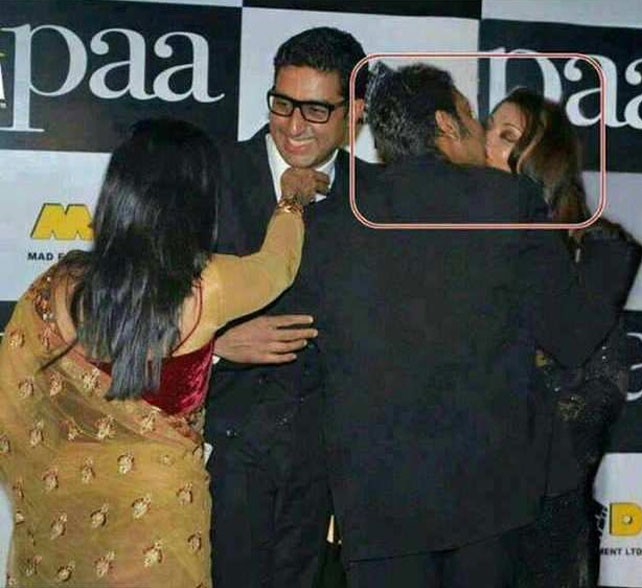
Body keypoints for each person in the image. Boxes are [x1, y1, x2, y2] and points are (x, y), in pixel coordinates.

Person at [308, 63, 632, 588]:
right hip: (486, 500)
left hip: (376, 506)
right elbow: (571, 337)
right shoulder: (507, 200)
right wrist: (609, 257)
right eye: (472, 116)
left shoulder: (327, 221)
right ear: (446, 123)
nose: (480, 131)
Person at [0, 118, 313, 587]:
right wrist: (292, 201)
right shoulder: (208, 285)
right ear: (196, 200)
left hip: (68, 514)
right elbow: (276, 266)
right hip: (158, 521)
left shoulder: (58, 284)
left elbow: (15, 403)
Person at [204, 27, 372, 588]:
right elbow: (144, 312)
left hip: (329, 463)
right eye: (282, 103)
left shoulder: (378, 197)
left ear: (355, 113)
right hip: (223, 452)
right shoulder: (209, 174)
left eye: (316, 110)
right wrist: (215, 344)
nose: (294, 125)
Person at [486, 88, 642, 588]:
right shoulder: (468, 246)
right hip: (476, 509)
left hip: (552, 511)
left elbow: (580, 367)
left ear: (541, 160)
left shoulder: (600, 252)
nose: (485, 143)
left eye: (506, 135)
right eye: (487, 128)